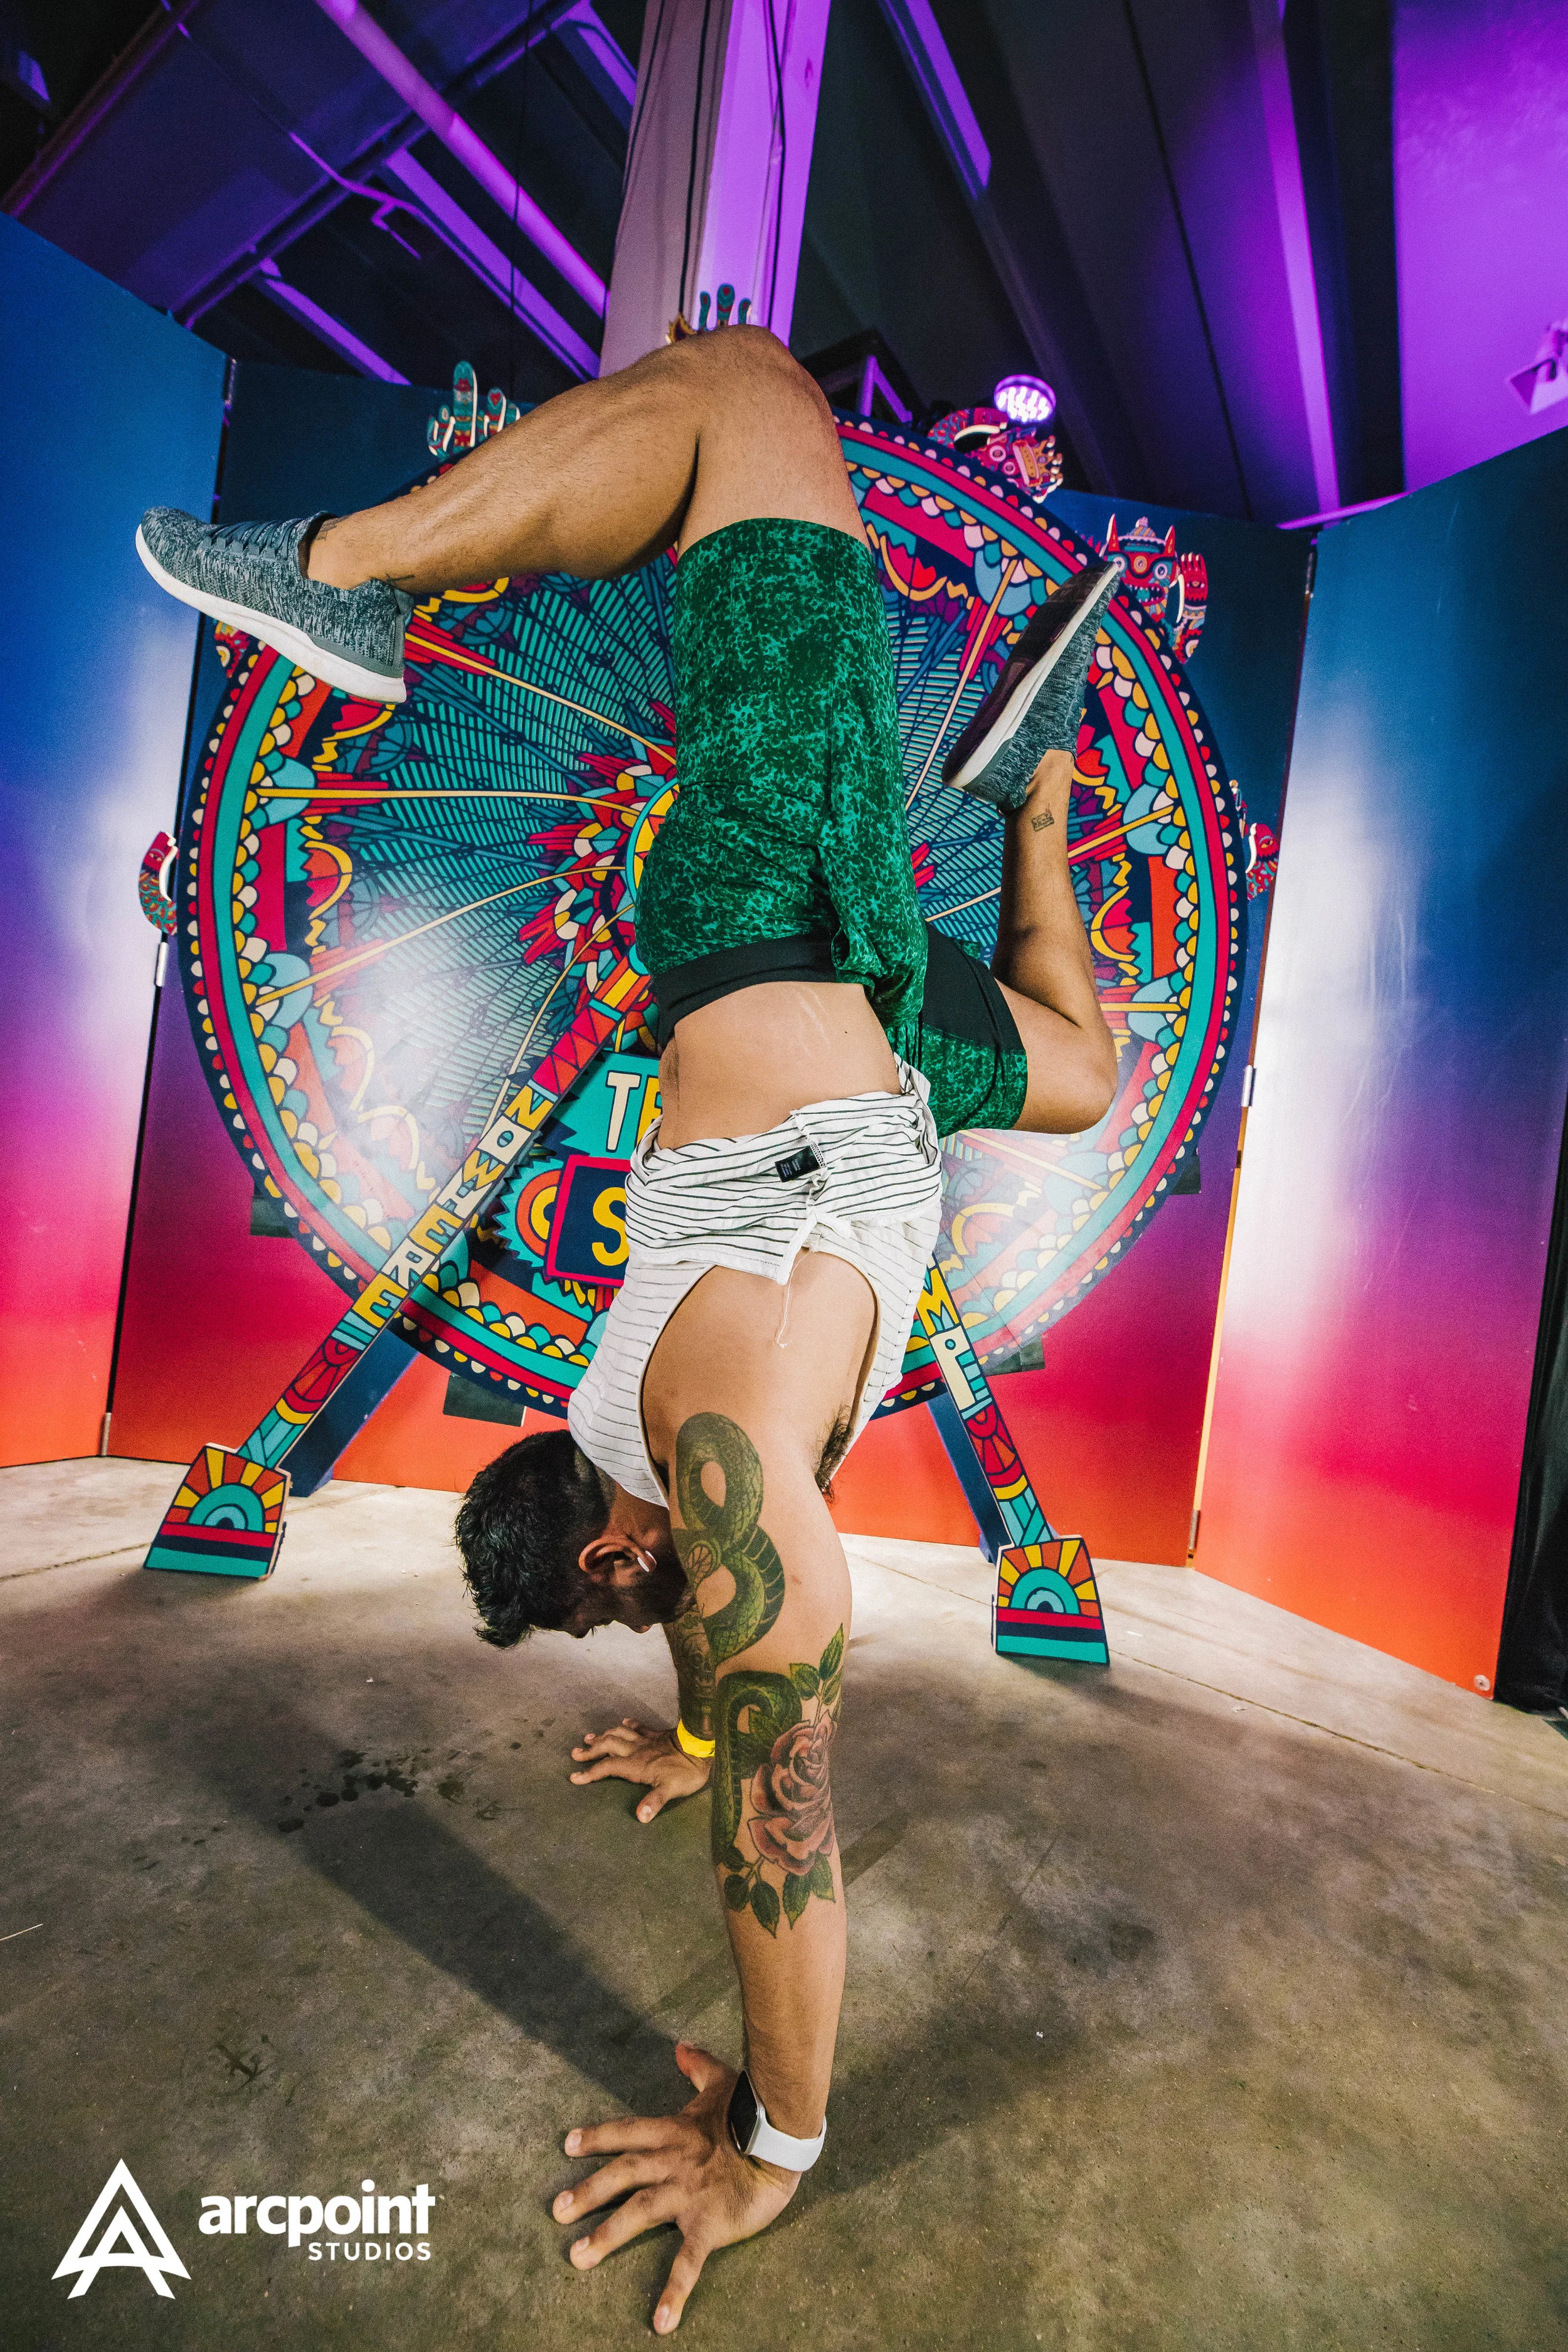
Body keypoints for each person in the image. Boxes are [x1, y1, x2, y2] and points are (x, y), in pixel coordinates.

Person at [137, 326, 1119, 2331]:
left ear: (614, 1528)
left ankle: (353, 573)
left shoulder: (702, 1470)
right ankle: (1025, 799)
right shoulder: (669, 1466)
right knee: (1086, 1076)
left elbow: (746, 1729)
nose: (664, 1595)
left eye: (629, 1597)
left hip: (764, 912)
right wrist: (702, 1771)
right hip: (862, 1017)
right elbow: (748, 1748)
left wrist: (766, 2114)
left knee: (750, 403)